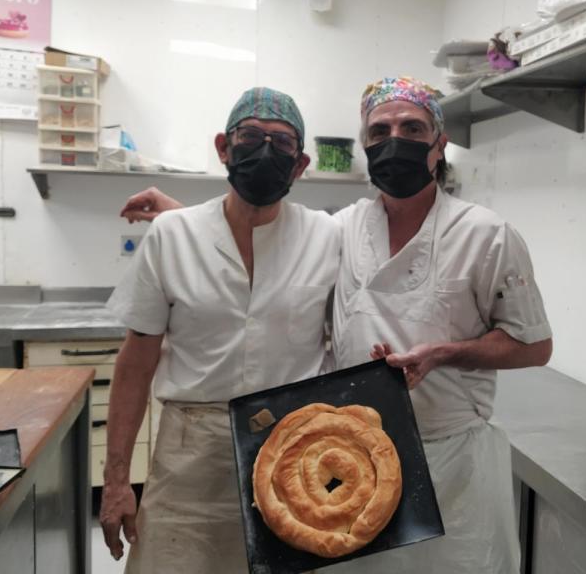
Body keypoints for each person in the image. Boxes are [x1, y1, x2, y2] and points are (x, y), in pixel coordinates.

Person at [121, 76, 553, 574]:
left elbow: (534, 346)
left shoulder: (486, 234)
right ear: (366, 145)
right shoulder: (344, 227)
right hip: (354, 461)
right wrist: (182, 221)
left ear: (440, 144)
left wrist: (443, 353)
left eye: (412, 128)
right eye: (380, 131)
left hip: (454, 461)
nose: (395, 140)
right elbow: (261, 237)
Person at [100, 86, 340, 574]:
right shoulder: (174, 235)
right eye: (250, 136)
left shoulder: (327, 236)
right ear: (223, 148)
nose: (265, 151)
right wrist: (116, 480)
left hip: (292, 458)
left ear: (299, 165)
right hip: (190, 460)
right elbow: (135, 365)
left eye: (282, 142)